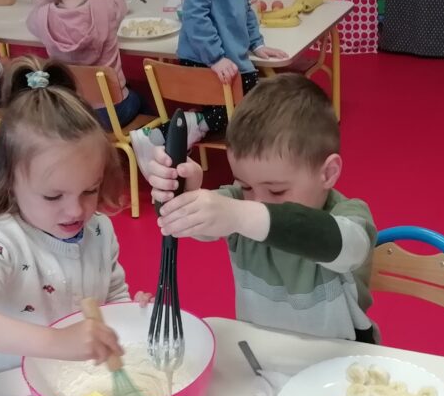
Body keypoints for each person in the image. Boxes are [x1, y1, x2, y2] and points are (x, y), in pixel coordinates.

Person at [0, 57, 148, 381]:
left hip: (74, 383)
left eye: (90, 190)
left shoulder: (99, 230)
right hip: (5, 391)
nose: (76, 211)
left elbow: (112, 295)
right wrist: (56, 342)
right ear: (10, 182)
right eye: (53, 196)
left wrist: (128, 315)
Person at [144, 74, 379, 343]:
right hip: (262, 354)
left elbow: (341, 243)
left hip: (342, 359)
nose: (256, 201)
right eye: (245, 186)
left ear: (327, 173)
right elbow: (185, 220)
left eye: (276, 191)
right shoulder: (239, 203)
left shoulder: (349, 217)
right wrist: (178, 192)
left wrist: (239, 214)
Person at [128, 0, 288, 167]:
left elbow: (246, 9)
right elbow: (194, 15)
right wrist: (215, 58)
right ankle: (161, 134)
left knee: (255, 104)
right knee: (247, 107)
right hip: (205, 58)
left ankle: (182, 127)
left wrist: (257, 43)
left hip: (228, 59)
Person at [27, 0, 144, 130]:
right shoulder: (106, 6)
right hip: (112, 111)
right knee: (141, 99)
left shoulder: (42, 16)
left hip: (72, 111)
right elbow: (121, 4)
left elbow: (30, 22)